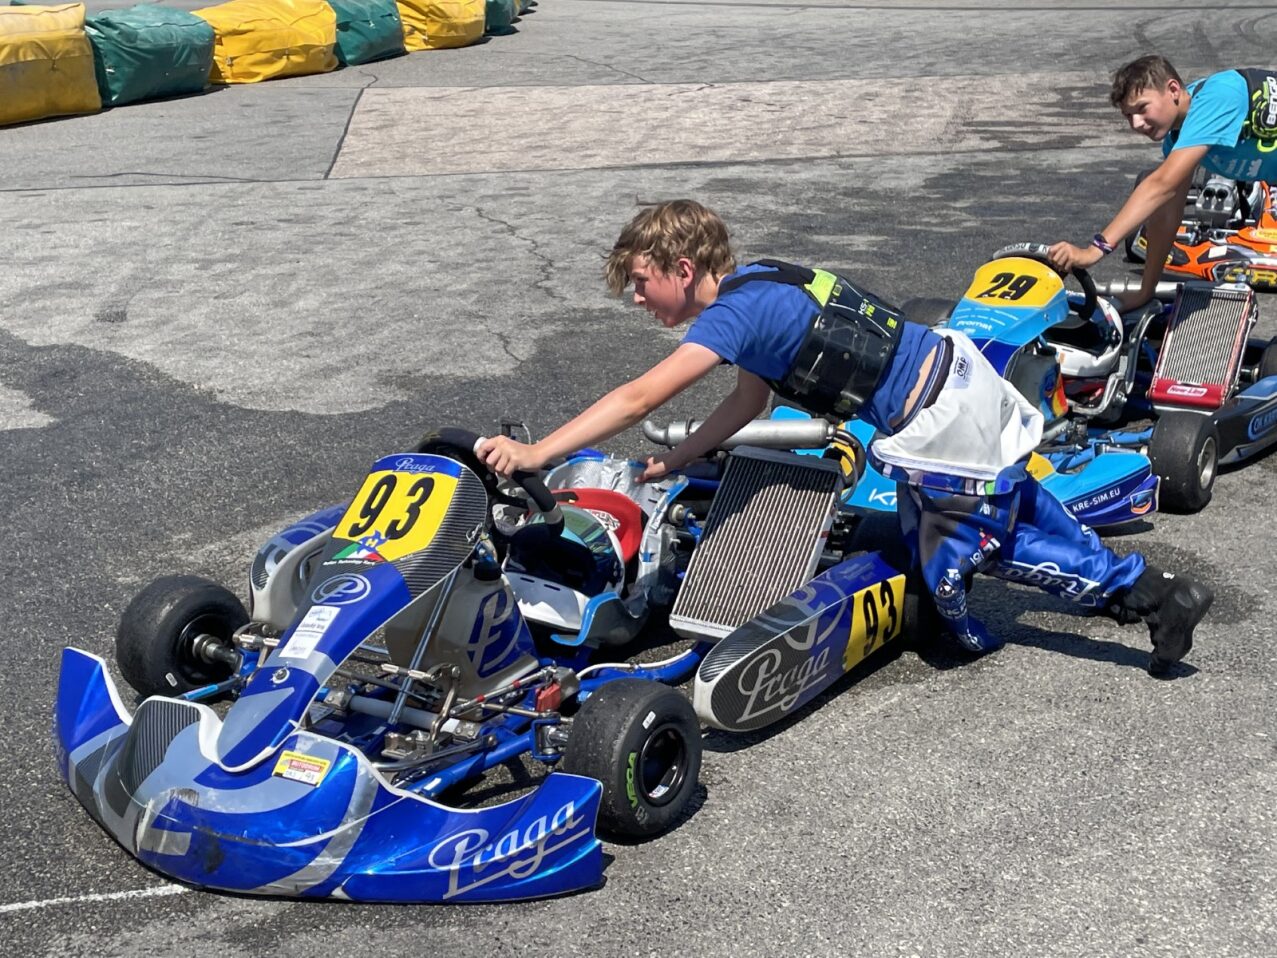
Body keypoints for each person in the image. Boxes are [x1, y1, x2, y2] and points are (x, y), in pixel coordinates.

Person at [478, 200, 1212, 676]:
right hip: (955, 381)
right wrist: (678, 458)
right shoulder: (760, 282)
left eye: (642, 282)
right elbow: (749, 398)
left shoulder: (732, 315)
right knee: (1014, 503)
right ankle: (1140, 587)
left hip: (939, 427)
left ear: (684, 268)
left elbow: (639, 396)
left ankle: (1150, 599)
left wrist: (537, 454)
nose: (637, 298)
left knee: (979, 551)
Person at [1048, 55, 1277, 308]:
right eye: (1128, 115)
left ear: (1173, 90)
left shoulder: (1219, 96)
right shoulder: (1178, 138)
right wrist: (1146, 290)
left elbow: (1161, 184)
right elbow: (1166, 217)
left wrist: (1094, 250)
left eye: (1142, 108)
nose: (1136, 123)